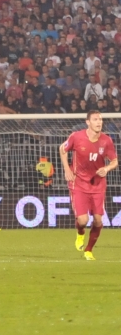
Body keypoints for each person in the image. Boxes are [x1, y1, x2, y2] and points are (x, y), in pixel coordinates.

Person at [60, 110, 118, 260]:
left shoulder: (106, 140)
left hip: (98, 185)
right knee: (83, 220)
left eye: (100, 119)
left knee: (98, 220)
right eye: (95, 119)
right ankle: (80, 233)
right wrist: (67, 169)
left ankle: (88, 250)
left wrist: (106, 169)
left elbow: (114, 161)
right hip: (79, 183)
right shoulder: (76, 137)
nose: (99, 122)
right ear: (88, 122)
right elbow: (62, 149)